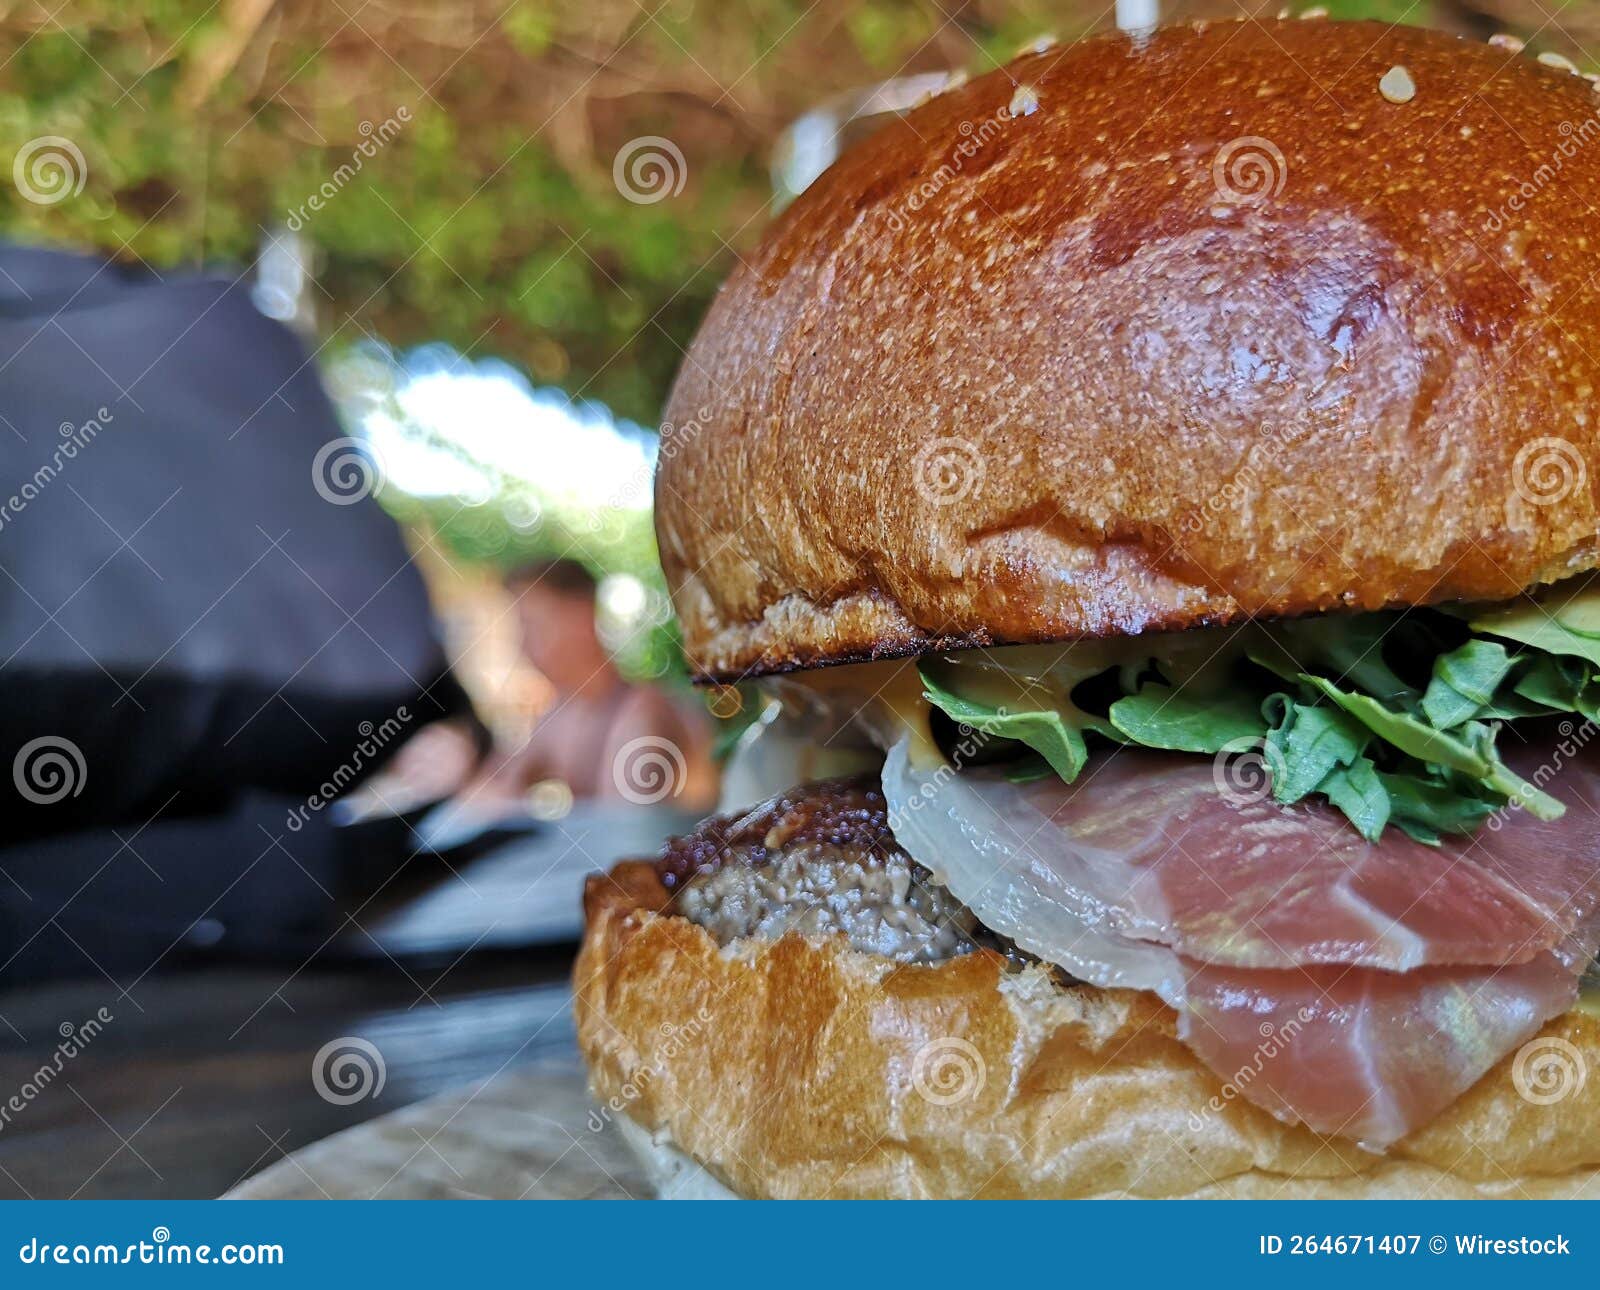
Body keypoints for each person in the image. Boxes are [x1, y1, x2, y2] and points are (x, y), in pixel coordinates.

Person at [469, 558, 715, 809]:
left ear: (582, 618)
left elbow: (624, 832)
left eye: (532, 626)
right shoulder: (561, 714)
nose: (523, 647)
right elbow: (487, 795)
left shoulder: (642, 714)